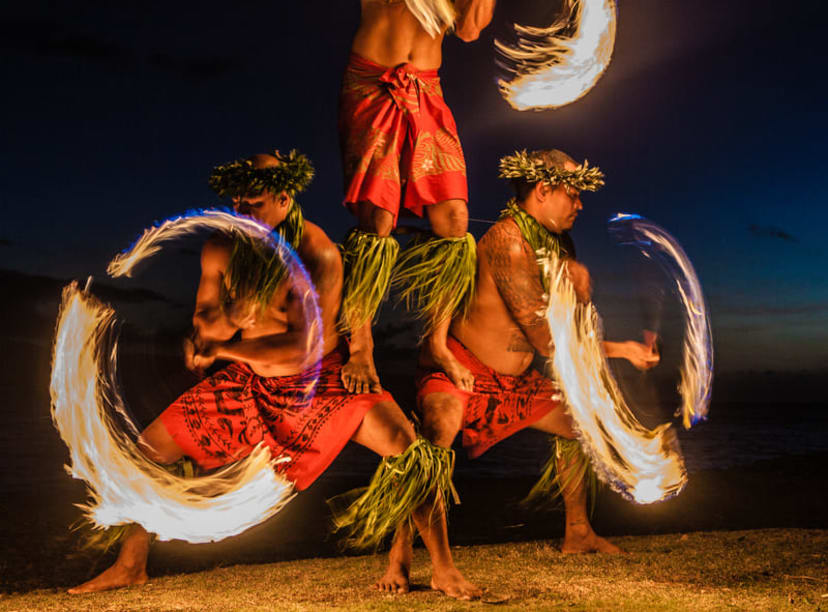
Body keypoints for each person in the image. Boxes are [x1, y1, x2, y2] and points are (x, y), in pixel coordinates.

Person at [69, 151, 478, 600]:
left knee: (410, 451)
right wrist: (228, 319)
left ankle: (442, 568)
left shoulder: (316, 253)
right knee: (147, 451)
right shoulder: (222, 248)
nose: (243, 213)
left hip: (323, 383)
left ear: (285, 198)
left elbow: (300, 350)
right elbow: (205, 320)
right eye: (238, 204)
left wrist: (224, 346)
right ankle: (130, 565)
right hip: (250, 382)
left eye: (255, 204)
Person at [381, 149, 661, 579]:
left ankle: (578, 532)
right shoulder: (509, 242)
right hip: (460, 370)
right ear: (543, 190)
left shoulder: (557, 242)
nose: (580, 204)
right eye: (573, 193)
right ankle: (407, 558)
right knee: (433, 442)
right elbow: (548, 341)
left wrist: (579, 292)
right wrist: (622, 349)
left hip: (512, 384)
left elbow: (566, 319)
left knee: (576, 424)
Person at [338, 0, 497, 395]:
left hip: (427, 88)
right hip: (372, 84)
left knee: (455, 221)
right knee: (377, 218)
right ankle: (361, 344)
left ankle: (436, 344)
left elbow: (470, 29)